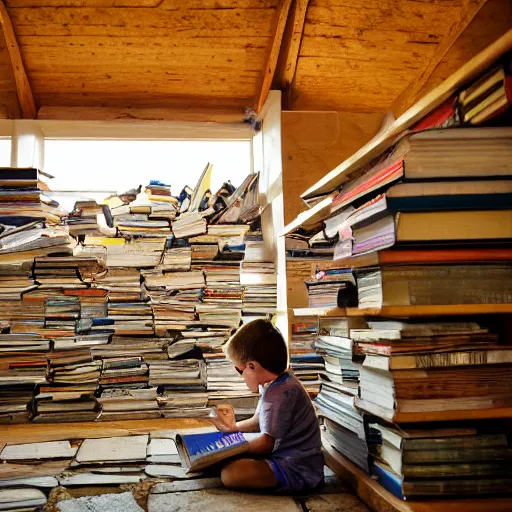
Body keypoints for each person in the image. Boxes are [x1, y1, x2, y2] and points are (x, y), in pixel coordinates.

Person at [210, 319, 324, 492]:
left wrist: (235, 448)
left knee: (231, 474)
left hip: (296, 469)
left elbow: (266, 442)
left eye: (239, 370)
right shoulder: (274, 385)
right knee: (220, 463)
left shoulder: (282, 393)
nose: (241, 376)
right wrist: (232, 429)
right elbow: (257, 421)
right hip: (282, 458)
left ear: (252, 366)